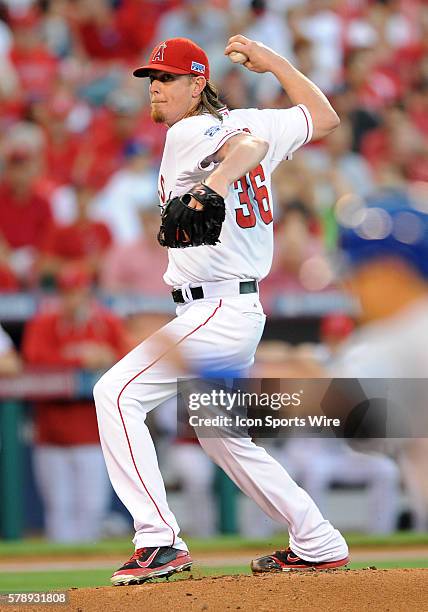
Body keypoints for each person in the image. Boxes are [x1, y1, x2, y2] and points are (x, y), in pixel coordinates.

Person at [93, 34, 349, 586]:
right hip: (226, 308)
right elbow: (322, 118)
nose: (156, 89)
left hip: (216, 309)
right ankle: (317, 539)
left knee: (115, 393)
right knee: (220, 433)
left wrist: (210, 186)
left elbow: (246, 149)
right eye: (152, 78)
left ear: (197, 83)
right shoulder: (258, 118)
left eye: (167, 78)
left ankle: (159, 541)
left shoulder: (190, 131)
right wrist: (275, 63)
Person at [23, 265, 129, 542]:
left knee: (92, 507)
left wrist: (105, 356)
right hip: (51, 433)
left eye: (79, 293)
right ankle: (61, 577)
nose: (73, 300)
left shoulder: (108, 323)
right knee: (59, 508)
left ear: (89, 294)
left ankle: (87, 582)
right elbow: (34, 362)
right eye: (67, 294)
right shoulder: (44, 323)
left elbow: (129, 361)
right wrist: (80, 359)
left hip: (94, 432)